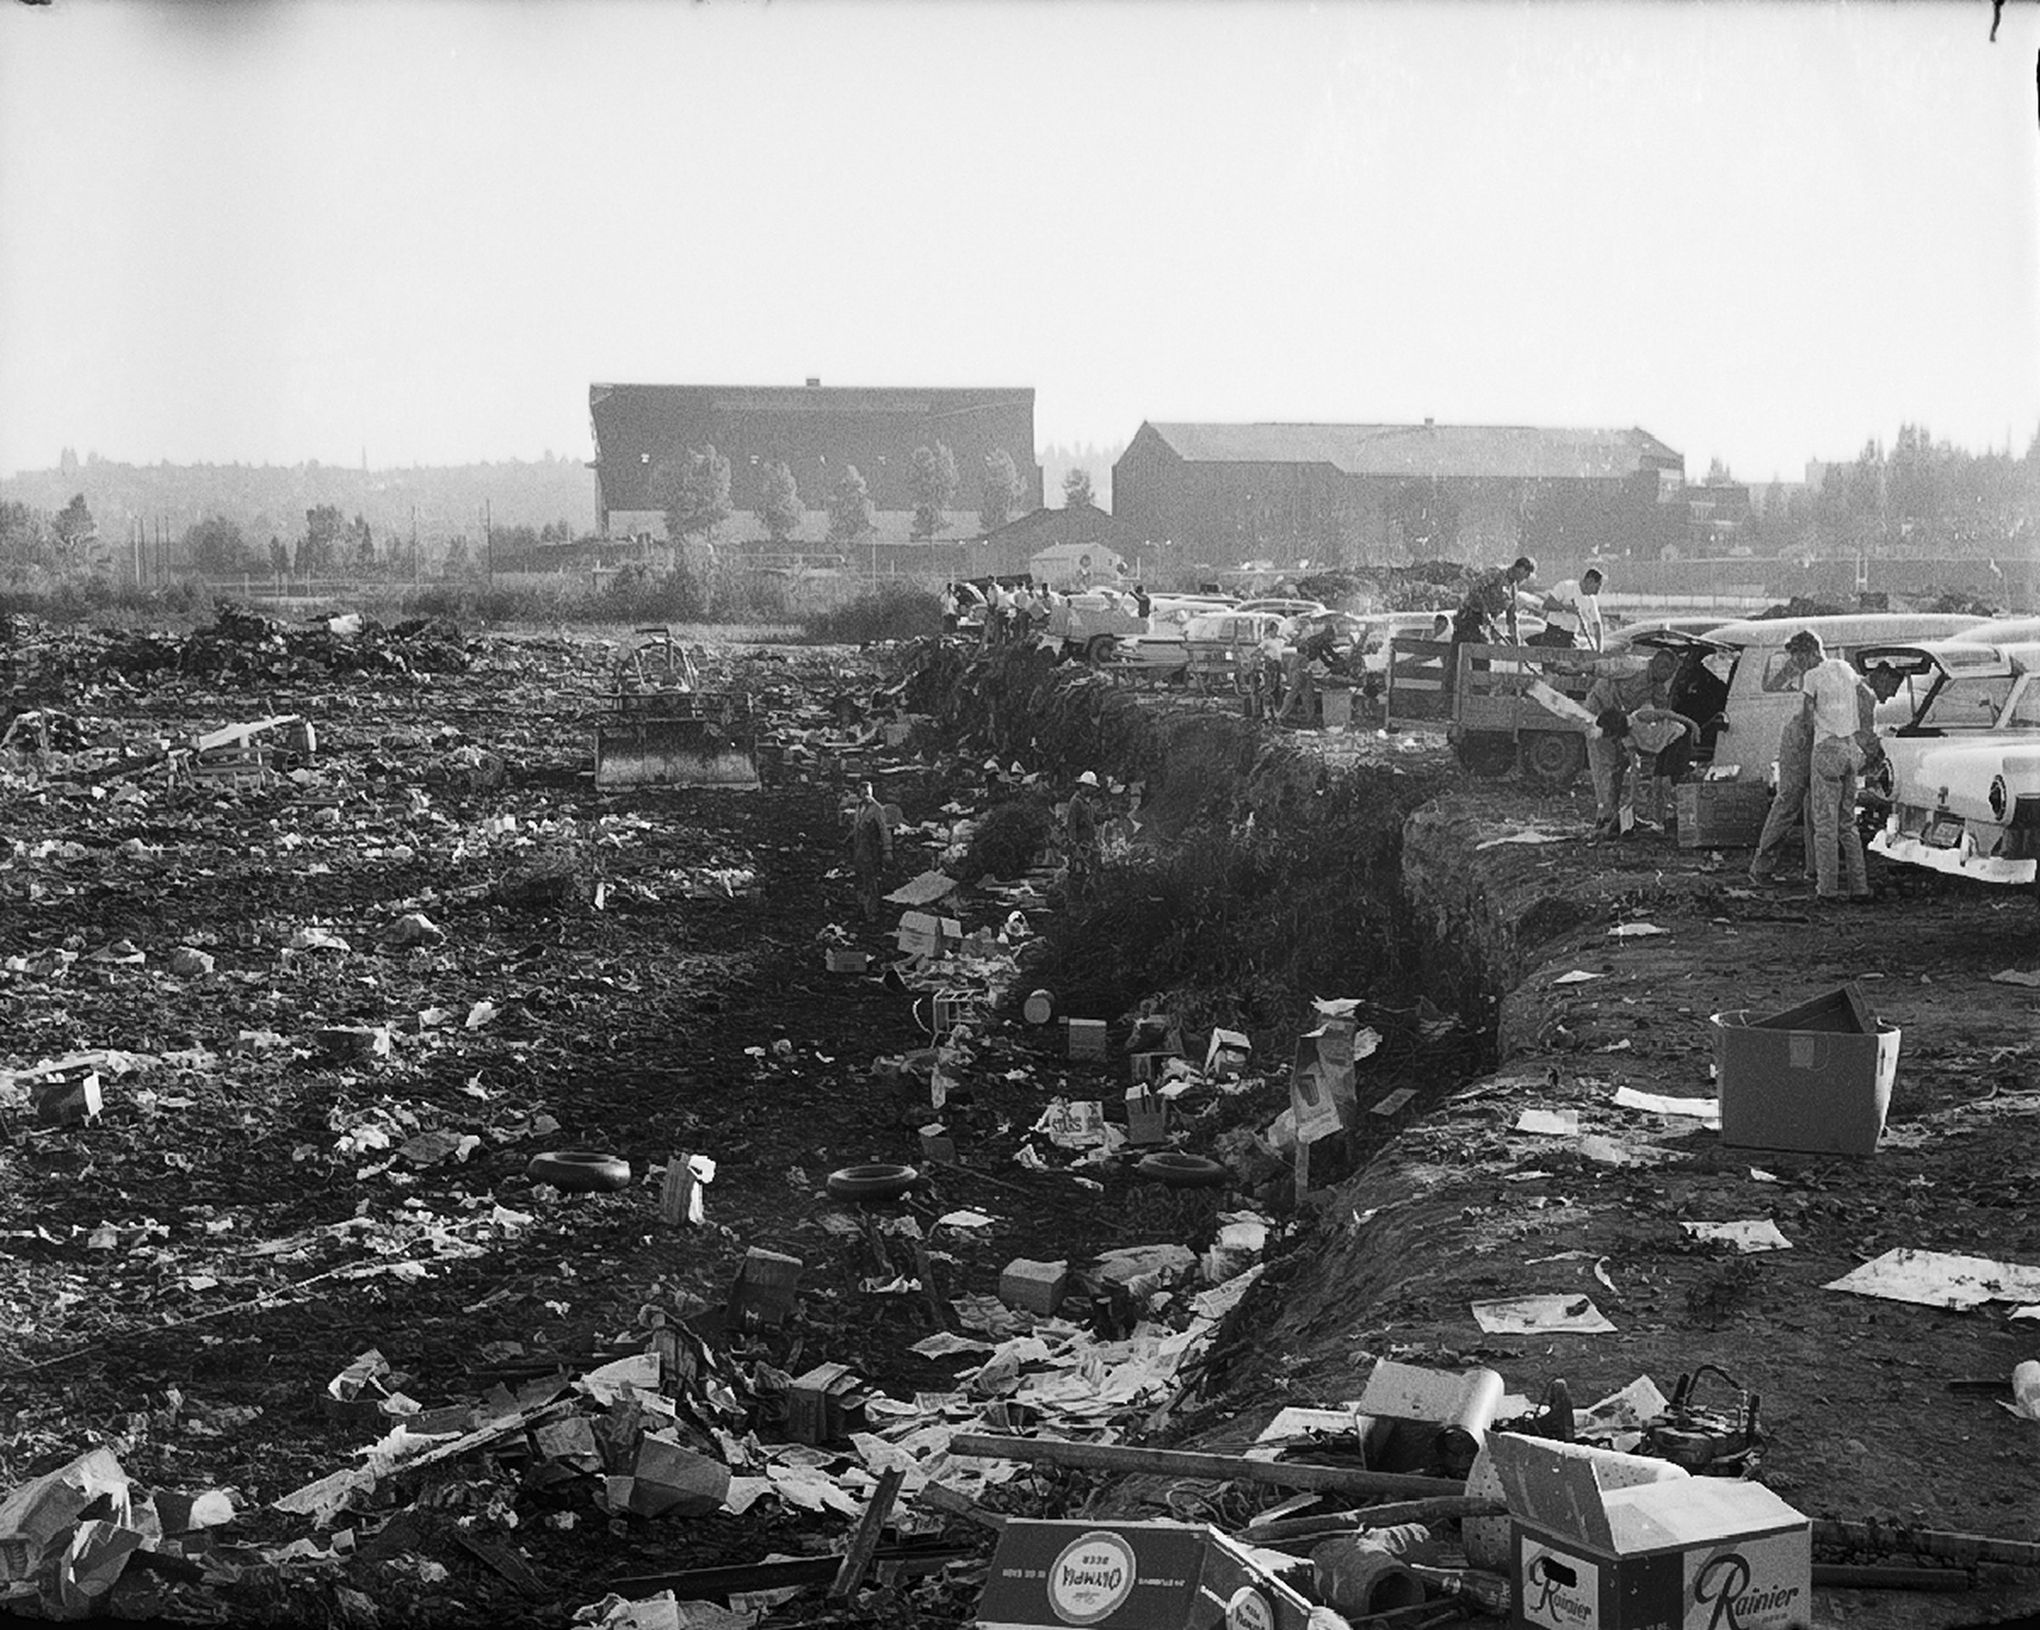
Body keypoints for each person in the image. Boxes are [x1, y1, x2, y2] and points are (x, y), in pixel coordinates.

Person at [1780, 631, 1878, 902]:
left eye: (1797, 657)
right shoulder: (1845, 667)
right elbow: (1868, 697)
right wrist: (1863, 732)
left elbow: (1807, 718)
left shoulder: (1811, 677)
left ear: (1808, 652)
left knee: (1824, 825)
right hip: (1850, 749)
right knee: (1848, 824)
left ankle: (1827, 890)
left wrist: (1804, 743)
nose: (1796, 663)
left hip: (1826, 749)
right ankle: (1860, 888)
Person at [1581, 647, 1695, 839]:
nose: (1669, 679)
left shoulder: (1646, 708)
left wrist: (1692, 726)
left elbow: (1665, 714)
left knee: (1664, 783)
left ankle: (1664, 822)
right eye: (1670, 673)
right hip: (1601, 713)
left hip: (1674, 742)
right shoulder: (1633, 667)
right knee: (1607, 770)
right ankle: (1610, 817)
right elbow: (1635, 768)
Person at [1449, 555, 1538, 690]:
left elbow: (1511, 616)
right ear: (1520, 568)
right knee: (1463, 658)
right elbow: (1475, 589)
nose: (1524, 579)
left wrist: (1515, 639)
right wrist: (1485, 610)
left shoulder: (1513, 589)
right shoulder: (1496, 573)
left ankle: (1479, 694)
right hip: (1469, 617)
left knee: (1482, 658)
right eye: (1526, 575)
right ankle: (1454, 694)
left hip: (1484, 624)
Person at [847, 782, 894, 921]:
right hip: (859, 849)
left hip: (871, 850)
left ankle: (871, 912)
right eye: (863, 793)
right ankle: (861, 907)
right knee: (860, 880)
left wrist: (887, 850)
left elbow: (884, 831)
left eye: (867, 793)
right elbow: (857, 827)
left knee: (871, 881)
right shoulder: (858, 807)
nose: (866, 796)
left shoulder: (877, 809)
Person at [1533, 568, 1605, 650]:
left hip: (1570, 636)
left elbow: (1596, 624)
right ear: (1590, 581)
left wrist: (1599, 649)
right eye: (1598, 585)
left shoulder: (1591, 600)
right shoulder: (1566, 586)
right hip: (1553, 633)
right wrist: (1566, 608)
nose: (1598, 590)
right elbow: (1547, 604)